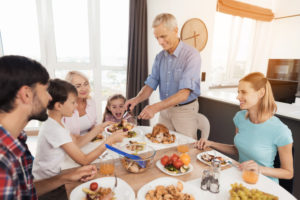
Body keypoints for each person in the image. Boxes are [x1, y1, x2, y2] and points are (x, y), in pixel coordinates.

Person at [0, 55, 97, 199]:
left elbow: (27, 191)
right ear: (26, 94)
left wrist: (65, 177)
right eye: (45, 90)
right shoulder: (3, 160)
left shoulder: (17, 140)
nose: (50, 98)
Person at [195, 72, 294, 183]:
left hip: (263, 183)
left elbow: (288, 172)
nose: (238, 97)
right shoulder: (240, 118)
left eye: (244, 92)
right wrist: (211, 143)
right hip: (240, 177)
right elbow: (238, 149)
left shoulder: (280, 130)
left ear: (261, 93)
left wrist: (260, 169)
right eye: (238, 92)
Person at [124, 13, 201, 139]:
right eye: (157, 37)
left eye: (163, 36)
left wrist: (154, 108)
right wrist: (135, 100)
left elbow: (184, 93)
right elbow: (150, 84)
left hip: (185, 111)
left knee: (186, 148)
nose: (160, 42)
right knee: (159, 143)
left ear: (175, 30)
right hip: (165, 110)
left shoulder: (191, 55)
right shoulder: (160, 57)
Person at [33, 79, 125, 181]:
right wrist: (110, 141)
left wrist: (99, 128)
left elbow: (76, 142)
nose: (76, 106)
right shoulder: (55, 129)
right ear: (59, 106)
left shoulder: (55, 122)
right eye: (73, 102)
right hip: (50, 182)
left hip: (58, 173)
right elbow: (84, 160)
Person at [64, 71, 97, 135]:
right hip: (70, 143)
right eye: (78, 86)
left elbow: (94, 124)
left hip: (89, 142)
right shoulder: (63, 107)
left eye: (85, 84)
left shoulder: (91, 101)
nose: (84, 88)